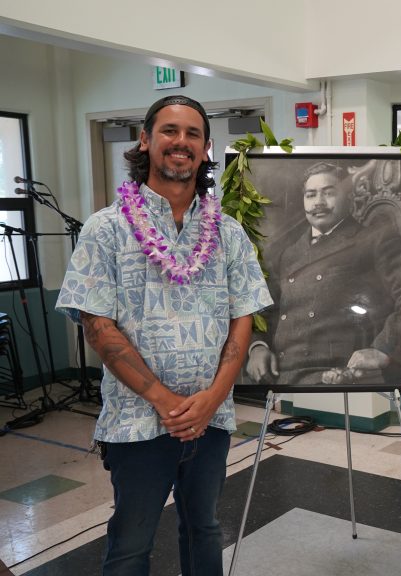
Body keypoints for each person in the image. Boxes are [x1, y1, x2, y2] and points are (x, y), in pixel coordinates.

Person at [55, 94, 273, 575]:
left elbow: (243, 317)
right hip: (137, 422)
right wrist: (163, 400)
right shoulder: (106, 229)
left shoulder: (228, 233)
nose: (181, 141)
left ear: (206, 148)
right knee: (131, 544)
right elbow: (97, 326)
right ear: (145, 140)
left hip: (210, 420)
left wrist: (213, 398)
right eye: (170, 130)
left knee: (205, 530)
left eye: (193, 133)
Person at [245, 161, 401, 387]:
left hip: (333, 375)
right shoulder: (290, 253)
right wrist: (257, 346)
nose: (318, 202)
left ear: (348, 196)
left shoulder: (373, 240)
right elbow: (268, 309)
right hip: (279, 372)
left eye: (329, 193)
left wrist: (383, 350)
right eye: (311, 195)